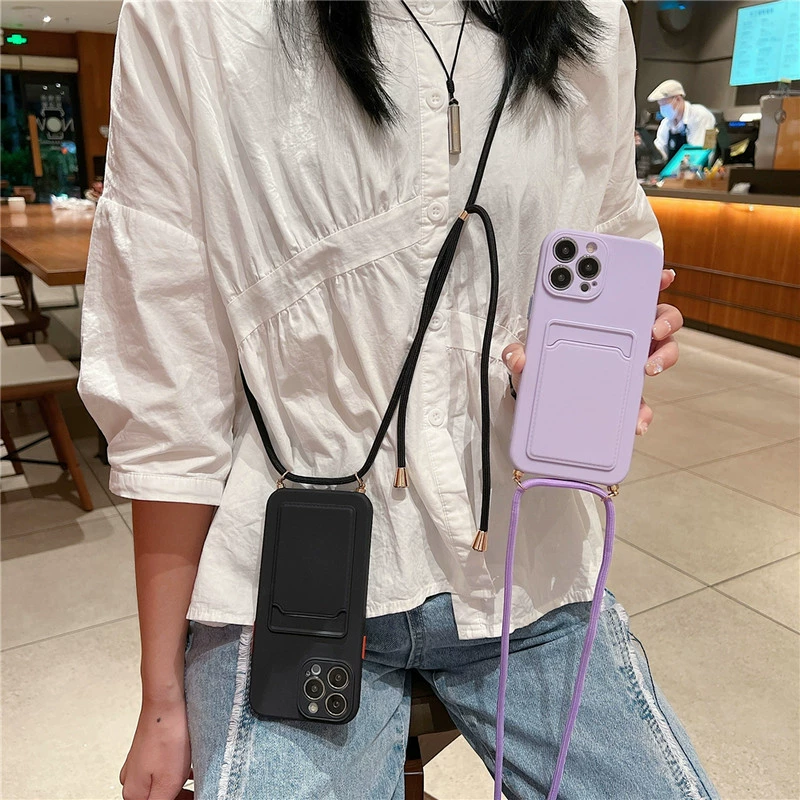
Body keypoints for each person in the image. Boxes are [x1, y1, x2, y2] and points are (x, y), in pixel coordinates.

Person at [78, 2, 720, 799]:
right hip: (284, 576)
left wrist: (578, 360)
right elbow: (169, 378)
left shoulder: (588, 17)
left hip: (527, 570)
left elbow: (611, 233)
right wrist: (161, 697)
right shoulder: (198, 18)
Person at [648, 79, 716, 161]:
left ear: (678, 99)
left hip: (701, 165)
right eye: (660, 105)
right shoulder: (666, 123)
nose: (663, 109)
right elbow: (660, 149)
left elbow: (699, 152)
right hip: (676, 167)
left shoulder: (702, 116)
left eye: (665, 104)